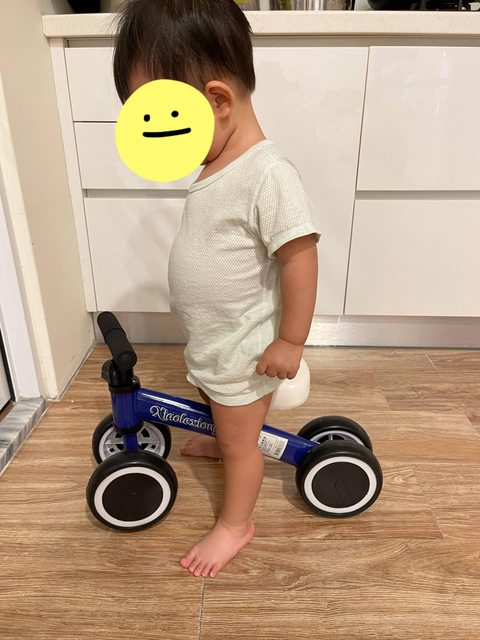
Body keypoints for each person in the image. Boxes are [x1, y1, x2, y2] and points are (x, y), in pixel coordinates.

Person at [113, 0, 320, 578]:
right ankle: (221, 432)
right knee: (210, 400)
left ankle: (236, 523)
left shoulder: (268, 173)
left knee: (240, 446)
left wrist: (291, 341)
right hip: (215, 341)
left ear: (217, 101)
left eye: (157, 117)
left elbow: (299, 257)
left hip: (245, 350)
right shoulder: (218, 163)